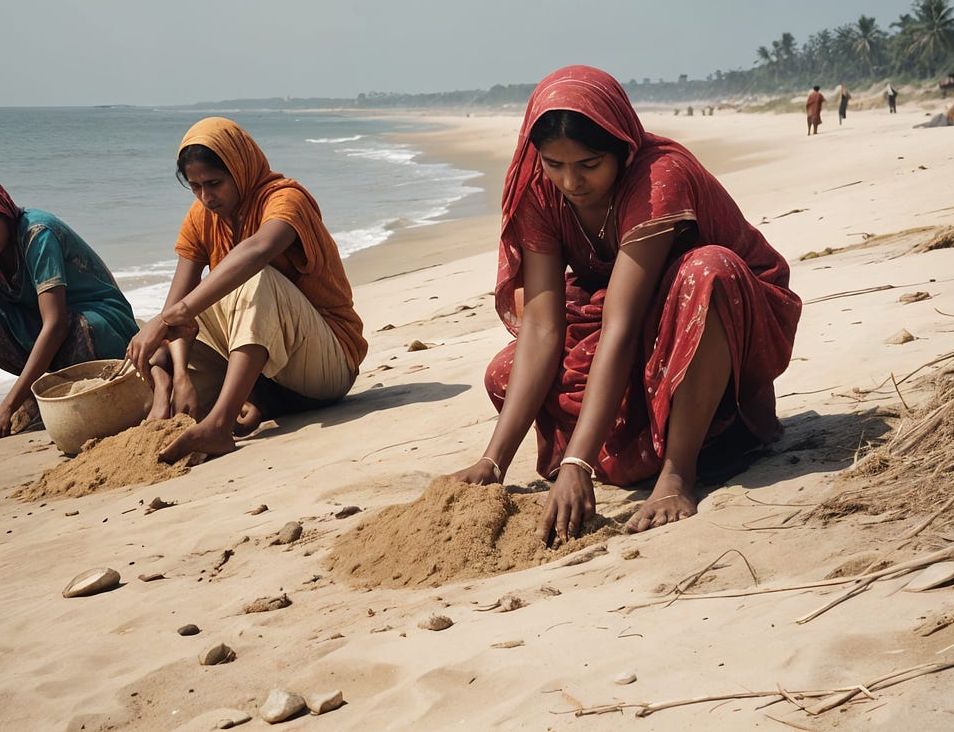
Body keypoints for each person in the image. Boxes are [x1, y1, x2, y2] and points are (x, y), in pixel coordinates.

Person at [451, 66, 800, 541]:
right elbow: (542, 325)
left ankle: (678, 471)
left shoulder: (658, 177)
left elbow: (623, 321)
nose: (570, 181)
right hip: (629, 322)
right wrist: (493, 463)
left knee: (708, 271)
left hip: (706, 319)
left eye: (589, 165)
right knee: (504, 373)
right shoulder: (539, 187)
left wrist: (577, 459)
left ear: (622, 146)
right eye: (555, 164)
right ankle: (633, 453)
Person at [127, 117, 366, 464]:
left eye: (214, 183)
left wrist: (169, 317)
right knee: (161, 346)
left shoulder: (286, 200)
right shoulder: (200, 218)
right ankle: (184, 395)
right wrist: (180, 374)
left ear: (240, 169)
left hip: (326, 365)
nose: (206, 197)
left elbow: (257, 251)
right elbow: (177, 305)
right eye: (195, 187)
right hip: (272, 377)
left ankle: (220, 425)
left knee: (253, 280)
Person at [0, 172, 139, 453]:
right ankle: (38, 392)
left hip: (102, 324)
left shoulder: (38, 234)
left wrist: (9, 404)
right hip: (48, 332)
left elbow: (54, 324)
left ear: (4, 212)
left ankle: (45, 394)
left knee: (81, 326)